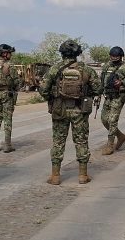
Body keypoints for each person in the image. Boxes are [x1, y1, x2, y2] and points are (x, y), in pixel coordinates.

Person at [38, 39, 102, 185]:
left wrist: (53, 98)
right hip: (80, 110)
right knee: (81, 140)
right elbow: (98, 89)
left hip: (59, 109)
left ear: (61, 53)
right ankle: (83, 175)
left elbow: (43, 89)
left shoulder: (54, 69)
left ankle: (55, 176)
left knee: (58, 141)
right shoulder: (86, 70)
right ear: (78, 53)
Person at [0, 44, 21, 153]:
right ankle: (7, 145)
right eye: (9, 52)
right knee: (7, 119)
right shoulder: (9, 65)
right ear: (4, 54)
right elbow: (16, 81)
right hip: (7, 94)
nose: (11, 54)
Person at [99, 46, 125, 155]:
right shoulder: (106, 66)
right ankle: (121, 136)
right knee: (104, 120)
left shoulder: (124, 68)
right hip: (108, 96)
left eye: (116, 56)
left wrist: (121, 82)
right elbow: (102, 80)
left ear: (120, 57)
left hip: (119, 96)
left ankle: (110, 146)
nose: (114, 58)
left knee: (112, 121)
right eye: (112, 56)